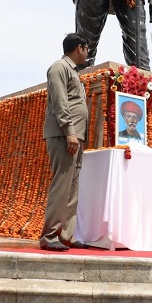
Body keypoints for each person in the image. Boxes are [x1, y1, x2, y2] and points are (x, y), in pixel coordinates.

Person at [40, 33, 90, 251]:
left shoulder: (73, 71)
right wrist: (70, 131)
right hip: (64, 134)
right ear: (79, 48)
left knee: (72, 186)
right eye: (86, 48)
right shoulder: (59, 67)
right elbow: (61, 102)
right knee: (62, 184)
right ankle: (49, 235)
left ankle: (66, 235)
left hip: (74, 135)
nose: (88, 53)